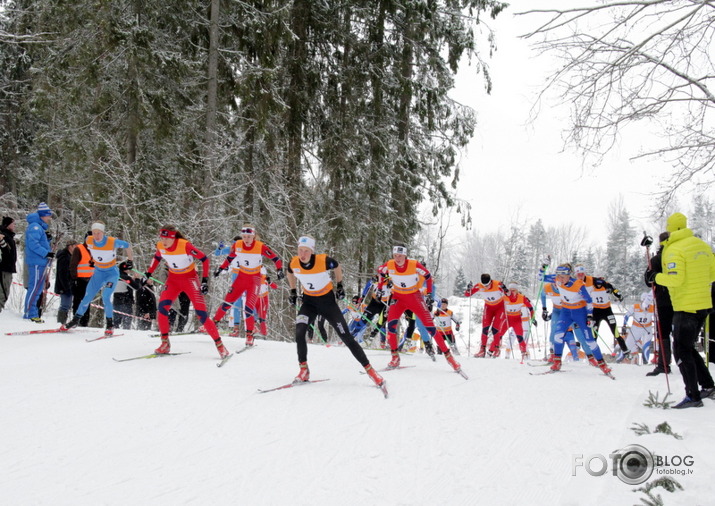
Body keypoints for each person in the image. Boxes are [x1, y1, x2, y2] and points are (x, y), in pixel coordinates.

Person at [286, 235, 385, 387]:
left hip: (327, 303)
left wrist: (340, 285)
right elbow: (289, 271)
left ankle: (371, 371)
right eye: (300, 250)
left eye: (306, 251)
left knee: (346, 336)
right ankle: (304, 370)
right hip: (309, 303)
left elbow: (337, 266)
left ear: (312, 251)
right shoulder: (294, 262)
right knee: (299, 332)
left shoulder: (322, 260)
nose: (303, 254)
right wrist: (293, 291)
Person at [649, 212, 715, 409]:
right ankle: (709, 386)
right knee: (688, 348)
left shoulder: (674, 249)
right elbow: (712, 274)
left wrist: (656, 276)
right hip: (703, 304)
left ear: (672, 228)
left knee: (681, 350)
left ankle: (693, 396)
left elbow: (675, 279)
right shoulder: (702, 246)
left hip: (685, 306)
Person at [142, 225, 228, 358]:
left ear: (173, 237)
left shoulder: (184, 245)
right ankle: (165, 344)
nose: (164, 241)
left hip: (190, 279)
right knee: (162, 309)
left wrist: (205, 280)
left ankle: (221, 346)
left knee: (201, 314)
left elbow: (204, 259)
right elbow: (157, 258)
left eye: (166, 238)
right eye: (162, 237)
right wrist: (148, 273)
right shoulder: (160, 246)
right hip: (173, 280)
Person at [377, 244, 462, 373]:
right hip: (398, 298)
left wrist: (428, 294)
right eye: (395, 255)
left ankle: (450, 358)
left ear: (405, 255)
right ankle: (395, 357)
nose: (397, 258)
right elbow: (380, 272)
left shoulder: (414, 264)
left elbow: (428, 276)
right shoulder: (389, 264)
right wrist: (379, 289)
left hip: (414, 298)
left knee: (430, 327)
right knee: (391, 326)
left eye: (400, 255)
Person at [212, 225, 284, 346]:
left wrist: (279, 269)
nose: (246, 239)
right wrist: (220, 269)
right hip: (241, 277)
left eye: (249, 237)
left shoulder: (260, 246)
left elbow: (275, 258)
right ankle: (213, 324)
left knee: (248, 308)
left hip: (254, 280)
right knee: (228, 302)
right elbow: (230, 258)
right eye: (244, 236)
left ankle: (249, 335)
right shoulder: (238, 244)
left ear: (254, 236)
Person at [61, 221, 133, 336]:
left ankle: (110, 325)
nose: (96, 236)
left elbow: (128, 245)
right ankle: (75, 321)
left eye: (98, 233)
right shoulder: (89, 240)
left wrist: (130, 261)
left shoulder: (112, 242)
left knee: (105, 297)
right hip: (98, 273)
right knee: (86, 298)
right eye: (94, 233)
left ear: (103, 233)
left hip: (111, 273)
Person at [542, 263, 612, 375]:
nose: (560, 279)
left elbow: (589, 300)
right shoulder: (557, 279)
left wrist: (589, 316)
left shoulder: (578, 284)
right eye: (558, 276)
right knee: (558, 336)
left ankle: (602, 364)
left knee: (589, 340)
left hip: (579, 312)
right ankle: (557, 362)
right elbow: (541, 277)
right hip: (565, 312)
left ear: (569, 275)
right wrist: (544, 266)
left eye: (563, 277)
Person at [574, 265, 629, 359]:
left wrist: (619, 295)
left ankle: (626, 351)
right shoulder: (590, 285)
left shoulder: (605, 284)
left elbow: (615, 290)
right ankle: (594, 355)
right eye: (598, 280)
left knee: (615, 332)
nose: (599, 283)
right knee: (594, 333)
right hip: (596, 312)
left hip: (607, 311)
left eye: (602, 279)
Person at [644, 232, 674, 376]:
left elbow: (648, 280)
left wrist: (651, 272)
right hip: (680, 299)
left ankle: (664, 365)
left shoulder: (658, 259)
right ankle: (684, 363)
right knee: (681, 333)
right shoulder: (678, 255)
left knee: (663, 333)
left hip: (664, 301)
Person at [464, 273, 508, 357]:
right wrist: (468, 289)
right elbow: (467, 294)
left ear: (491, 281)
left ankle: (497, 349)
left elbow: (508, 294)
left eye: (488, 285)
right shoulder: (479, 286)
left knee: (495, 329)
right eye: (484, 285)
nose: (486, 287)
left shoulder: (498, 284)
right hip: (488, 308)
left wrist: (505, 289)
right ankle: (482, 350)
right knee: (485, 328)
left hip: (499, 308)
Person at [23, 202, 54, 322]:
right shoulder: (35, 227)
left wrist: (47, 239)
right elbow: (33, 244)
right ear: (42, 215)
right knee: (34, 288)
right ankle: (30, 313)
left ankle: (33, 312)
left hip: (41, 262)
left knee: (38, 289)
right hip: (36, 262)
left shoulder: (39, 227)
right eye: (48, 215)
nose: (49, 218)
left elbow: (39, 242)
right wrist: (45, 253)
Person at [620, 292, 655, 364]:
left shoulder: (652, 308)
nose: (646, 306)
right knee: (627, 346)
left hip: (647, 329)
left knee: (646, 346)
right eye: (644, 302)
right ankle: (619, 360)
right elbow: (627, 316)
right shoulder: (635, 307)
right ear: (642, 301)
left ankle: (645, 362)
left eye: (648, 303)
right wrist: (624, 325)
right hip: (636, 329)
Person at [504, 283, 534, 360]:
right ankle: (507, 354)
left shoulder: (523, 299)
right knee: (512, 337)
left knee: (523, 339)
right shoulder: (511, 300)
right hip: (518, 322)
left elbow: (532, 307)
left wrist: (533, 318)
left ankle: (526, 356)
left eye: (514, 291)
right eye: (511, 291)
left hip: (525, 323)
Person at [69, 231, 94, 326]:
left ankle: (84, 322)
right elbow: (73, 264)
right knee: (78, 301)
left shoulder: (94, 250)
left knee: (87, 301)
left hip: (90, 280)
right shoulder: (79, 249)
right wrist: (74, 278)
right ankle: (76, 321)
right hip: (79, 280)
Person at [53, 240, 77, 324]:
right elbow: (62, 273)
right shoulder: (64, 257)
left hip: (68, 284)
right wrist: (66, 286)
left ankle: (63, 322)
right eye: (75, 246)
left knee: (67, 305)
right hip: (64, 285)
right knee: (65, 305)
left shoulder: (69, 256)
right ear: (70, 246)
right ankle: (60, 323)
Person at [113, 261, 142, 329]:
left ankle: (115, 331)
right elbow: (137, 287)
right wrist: (137, 279)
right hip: (126, 301)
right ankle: (126, 334)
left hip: (116, 301)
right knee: (126, 321)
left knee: (116, 321)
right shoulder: (127, 278)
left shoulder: (114, 277)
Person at [0, 216, 18, 313]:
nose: (14, 225)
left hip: (8, 268)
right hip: (4, 268)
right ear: (7, 225)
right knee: (3, 292)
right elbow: (5, 250)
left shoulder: (9, 235)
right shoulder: (3, 235)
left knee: (5, 293)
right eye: (13, 223)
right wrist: (2, 241)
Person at [255, 267, 278, 336]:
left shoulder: (265, 280)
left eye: (262, 275)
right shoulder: (254, 278)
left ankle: (264, 332)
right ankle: (254, 330)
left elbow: (275, 286)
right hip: (256, 299)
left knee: (262, 315)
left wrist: (270, 282)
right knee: (254, 315)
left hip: (263, 299)